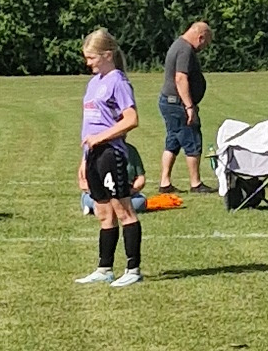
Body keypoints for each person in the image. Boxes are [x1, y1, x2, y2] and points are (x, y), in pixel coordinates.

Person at [76, 30, 144, 289]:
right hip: (93, 155)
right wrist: (85, 158)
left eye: (91, 57)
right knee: (103, 213)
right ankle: (105, 268)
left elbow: (131, 120)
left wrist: (101, 138)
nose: (88, 63)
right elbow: (88, 125)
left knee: (123, 210)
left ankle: (133, 268)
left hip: (110, 153)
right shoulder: (94, 83)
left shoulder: (118, 81)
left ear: (106, 55)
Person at [159, 20, 211, 193]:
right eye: (205, 43)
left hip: (168, 101)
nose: (204, 47)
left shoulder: (178, 44)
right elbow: (180, 78)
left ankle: (165, 182)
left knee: (172, 141)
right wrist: (189, 107)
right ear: (200, 37)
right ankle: (195, 183)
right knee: (192, 139)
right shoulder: (185, 49)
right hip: (177, 103)